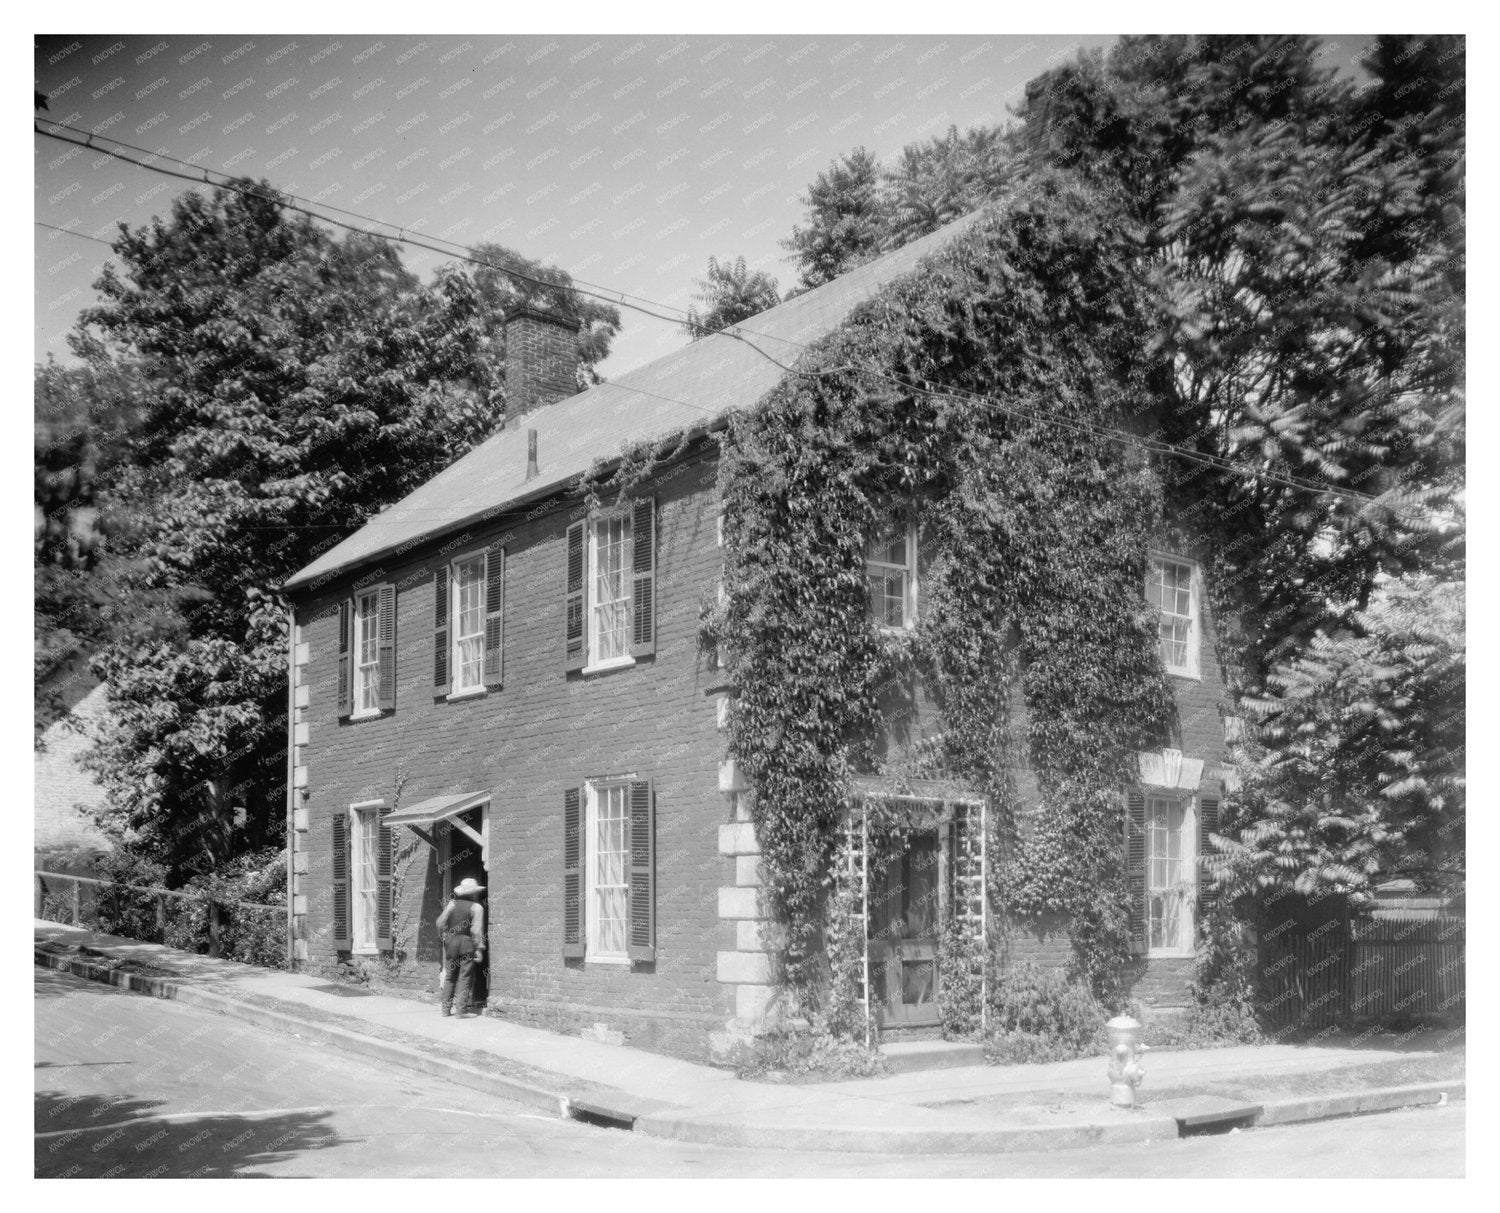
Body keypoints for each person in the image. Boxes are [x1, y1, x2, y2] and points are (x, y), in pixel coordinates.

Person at [437, 877, 486, 1018]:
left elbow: (440, 923)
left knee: (450, 976)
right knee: (465, 976)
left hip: (451, 941)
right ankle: (461, 1010)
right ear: (473, 893)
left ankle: (445, 1010)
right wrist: (479, 949)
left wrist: (446, 935)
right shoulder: (477, 908)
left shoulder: (451, 904)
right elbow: (476, 931)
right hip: (467, 943)